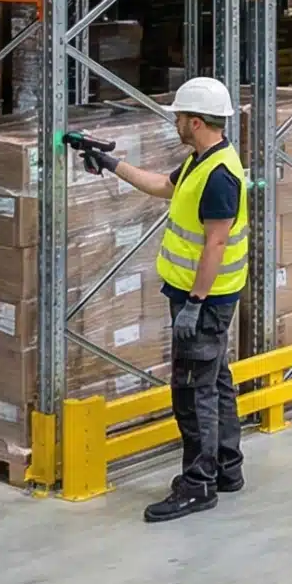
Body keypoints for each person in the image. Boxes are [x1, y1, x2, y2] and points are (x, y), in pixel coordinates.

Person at [68, 77, 248, 523]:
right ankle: (227, 468)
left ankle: (198, 484)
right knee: (215, 379)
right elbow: (159, 186)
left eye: (179, 117)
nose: (175, 123)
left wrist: (195, 302)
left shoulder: (220, 176)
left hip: (203, 300)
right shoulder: (199, 162)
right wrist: (110, 163)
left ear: (196, 120)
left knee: (192, 391)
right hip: (201, 297)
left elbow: (216, 245)